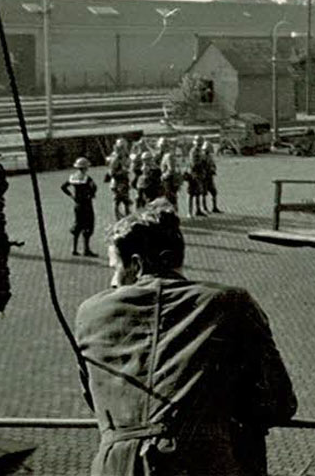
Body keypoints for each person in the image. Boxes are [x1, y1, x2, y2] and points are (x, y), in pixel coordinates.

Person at [75, 204, 297, 476]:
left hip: (115, 467)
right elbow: (279, 403)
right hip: (202, 464)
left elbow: (94, 398)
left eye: (115, 269)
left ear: (137, 265)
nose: (112, 281)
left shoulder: (89, 312)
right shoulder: (230, 303)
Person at [61, 157, 98, 256]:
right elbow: (94, 187)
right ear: (86, 167)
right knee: (88, 225)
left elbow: (63, 187)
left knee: (78, 225)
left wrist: (72, 196)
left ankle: (74, 248)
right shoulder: (87, 178)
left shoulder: (73, 177)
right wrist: (91, 194)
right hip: (87, 204)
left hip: (77, 204)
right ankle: (86, 249)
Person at [201, 141, 221, 213]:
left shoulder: (209, 156)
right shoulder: (202, 157)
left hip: (209, 176)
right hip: (204, 177)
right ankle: (204, 208)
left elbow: (213, 164)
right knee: (204, 193)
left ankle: (214, 207)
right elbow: (202, 166)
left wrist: (213, 168)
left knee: (214, 192)